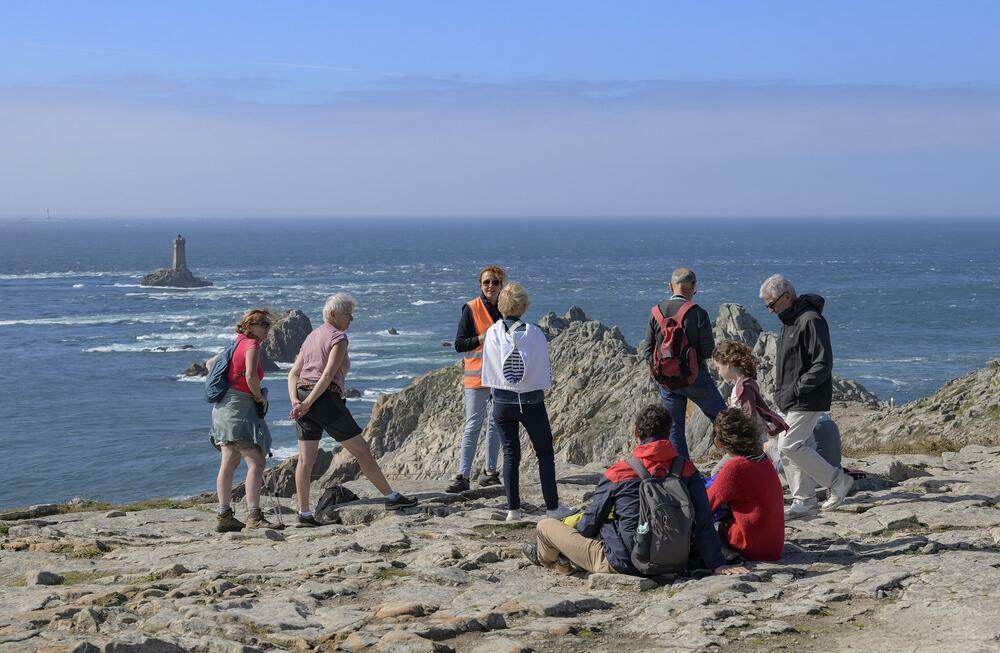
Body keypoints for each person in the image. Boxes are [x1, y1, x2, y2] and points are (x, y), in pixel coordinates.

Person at [523, 405, 747, 577]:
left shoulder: (620, 472)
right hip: (678, 559)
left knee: (545, 526)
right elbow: (704, 521)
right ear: (668, 433)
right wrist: (717, 565)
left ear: (637, 434)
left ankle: (549, 558)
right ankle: (559, 558)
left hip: (624, 562)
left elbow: (589, 524)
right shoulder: (686, 469)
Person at [288, 293, 417, 523]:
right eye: (348, 314)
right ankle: (391, 497)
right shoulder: (338, 337)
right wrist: (308, 403)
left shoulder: (311, 336)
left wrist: (297, 402)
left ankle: (304, 513)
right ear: (333, 314)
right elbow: (327, 374)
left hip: (303, 393)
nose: (351, 319)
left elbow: (294, 373)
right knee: (361, 450)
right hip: (325, 399)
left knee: (306, 460)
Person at [759, 274, 853, 520]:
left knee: (790, 445)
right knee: (785, 446)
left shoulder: (810, 320)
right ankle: (804, 500)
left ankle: (838, 480)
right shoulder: (789, 320)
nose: (770, 310)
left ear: (787, 296)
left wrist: (798, 388)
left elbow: (823, 363)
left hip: (807, 397)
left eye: (771, 304)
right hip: (791, 398)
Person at [480, 282, 574, 522]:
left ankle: (513, 509)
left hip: (501, 400)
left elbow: (489, 365)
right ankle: (552, 507)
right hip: (531, 401)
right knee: (544, 452)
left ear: (501, 306)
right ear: (524, 306)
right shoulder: (533, 333)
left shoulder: (493, 332)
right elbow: (542, 367)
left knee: (511, 454)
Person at [639, 268, 724, 460]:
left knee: (674, 429)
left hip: (668, 382)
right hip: (696, 378)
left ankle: (682, 475)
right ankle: (743, 459)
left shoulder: (656, 312)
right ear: (693, 286)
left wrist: (659, 375)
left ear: (670, 286)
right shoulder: (698, 313)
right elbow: (708, 350)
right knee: (722, 418)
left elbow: (648, 350)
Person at [211, 308, 276, 532]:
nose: (267, 329)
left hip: (223, 408)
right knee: (256, 461)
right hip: (241, 409)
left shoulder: (235, 343)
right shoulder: (251, 345)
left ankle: (224, 514)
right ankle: (254, 515)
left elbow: (211, 364)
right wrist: (259, 398)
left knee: (228, 460)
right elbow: (250, 375)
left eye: (269, 325)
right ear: (250, 326)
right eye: (264, 325)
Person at [447, 265, 505, 493]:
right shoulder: (471, 308)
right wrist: (483, 337)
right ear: (480, 285)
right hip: (476, 378)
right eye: (486, 282)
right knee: (472, 426)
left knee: (495, 424)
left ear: (502, 285)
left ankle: (490, 472)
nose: (490, 286)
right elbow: (459, 344)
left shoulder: (505, 309)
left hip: (500, 379)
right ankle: (463, 475)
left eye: (495, 282)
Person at [707, 409, 785, 561]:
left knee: (709, 519)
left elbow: (706, 503)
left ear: (720, 442)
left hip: (749, 545)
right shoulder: (763, 459)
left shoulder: (735, 467)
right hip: (774, 547)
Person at [710, 340, 788, 475]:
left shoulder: (743, 387)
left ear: (727, 364)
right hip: (752, 441)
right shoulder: (747, 383)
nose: (718, 373)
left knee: (718, 472)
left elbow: (748, 416)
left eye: (718, 368)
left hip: (746, 444)